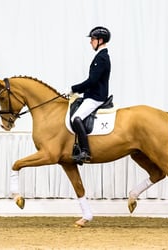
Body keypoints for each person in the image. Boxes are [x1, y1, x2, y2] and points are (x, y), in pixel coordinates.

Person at [70, 26, 111, 163]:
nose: (90, 42)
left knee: (76, 118)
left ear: (100, 40)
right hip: (92, 95)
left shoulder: (102, 57)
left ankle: (85, 151)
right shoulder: (100, 56)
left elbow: (92, 81)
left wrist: (74, 88)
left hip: (96, 97)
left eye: (92, 39)